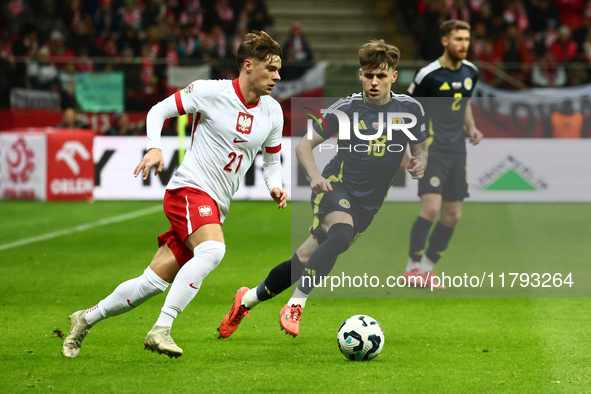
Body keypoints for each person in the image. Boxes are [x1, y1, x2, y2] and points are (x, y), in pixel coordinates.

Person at [61, 31, 288, 358]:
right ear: (248, 66)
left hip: (215, 205)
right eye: (271, 68)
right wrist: (155, 146)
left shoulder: (273, 112)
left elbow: (271, 161)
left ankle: (85, 319)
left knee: (150, 283)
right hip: (190, 189)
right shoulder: (211, 91)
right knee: (212, 250)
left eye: (279, 69)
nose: (277, 77)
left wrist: (274, 185)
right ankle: (161, 329)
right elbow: (158, 111)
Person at [217, 39, 428, 338]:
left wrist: (420, 162)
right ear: (360, 75)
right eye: (369, 75)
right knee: (340, 236)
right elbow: (305, 145)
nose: (374, 81)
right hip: (334, 186)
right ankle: (295, 306)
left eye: (381, 75)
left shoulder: (411, 109)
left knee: (304, 259)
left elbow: (421, 148)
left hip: (368, 205)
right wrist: (315, 176)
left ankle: (247, 299)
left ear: (394, 76)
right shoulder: (345, 109)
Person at [404, 20, 482, 288]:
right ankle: (411, 268)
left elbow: (466, 103)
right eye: (458, 39)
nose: (464, 44)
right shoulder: (428, 74)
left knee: (453, 216)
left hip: (457, 152)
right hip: (432, 150)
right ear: (445, 41)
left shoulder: (472, 71)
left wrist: (471, 127)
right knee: (431, 210)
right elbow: (408, 110)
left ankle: (426, 270)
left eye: (467, 39)